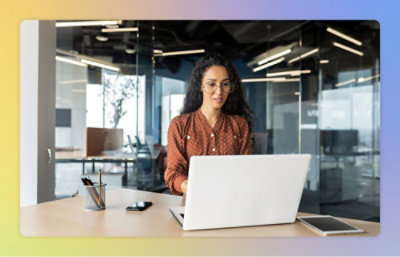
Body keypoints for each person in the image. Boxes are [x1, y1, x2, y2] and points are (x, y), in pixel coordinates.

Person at [164, 53, 253, 195]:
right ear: (200, 85)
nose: (219, 92)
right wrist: (192, 187)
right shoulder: (179, 125)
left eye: (225, 84)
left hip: (231, 201)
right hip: (193, 204)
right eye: (211, 84)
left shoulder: (239, 125)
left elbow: (247, 170)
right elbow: (173, 173)